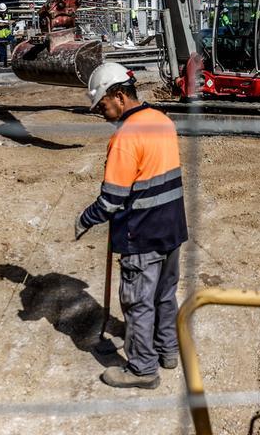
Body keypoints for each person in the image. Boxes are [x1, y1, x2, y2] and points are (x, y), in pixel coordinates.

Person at [76, 62, 187, 389]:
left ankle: (142, 369)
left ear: (119, 96)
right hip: (172, 228)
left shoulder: (125, 137)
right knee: (165, 294)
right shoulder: (162, 121)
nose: (101, 111)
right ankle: (168, 351)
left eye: (103, 104)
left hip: (142, 233)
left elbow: (111, 200)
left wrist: (85, 219)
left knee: (138, 303)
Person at [0, 3, 13, 67]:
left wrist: (11, 23)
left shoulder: (9, 16)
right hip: (0, 36)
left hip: (7, 35)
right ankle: (0, 62)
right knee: (0, 50)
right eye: (1, 12)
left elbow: (13, 21)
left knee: (9, 46)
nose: (3, 13)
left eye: (4, 11)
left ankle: (5, 62)